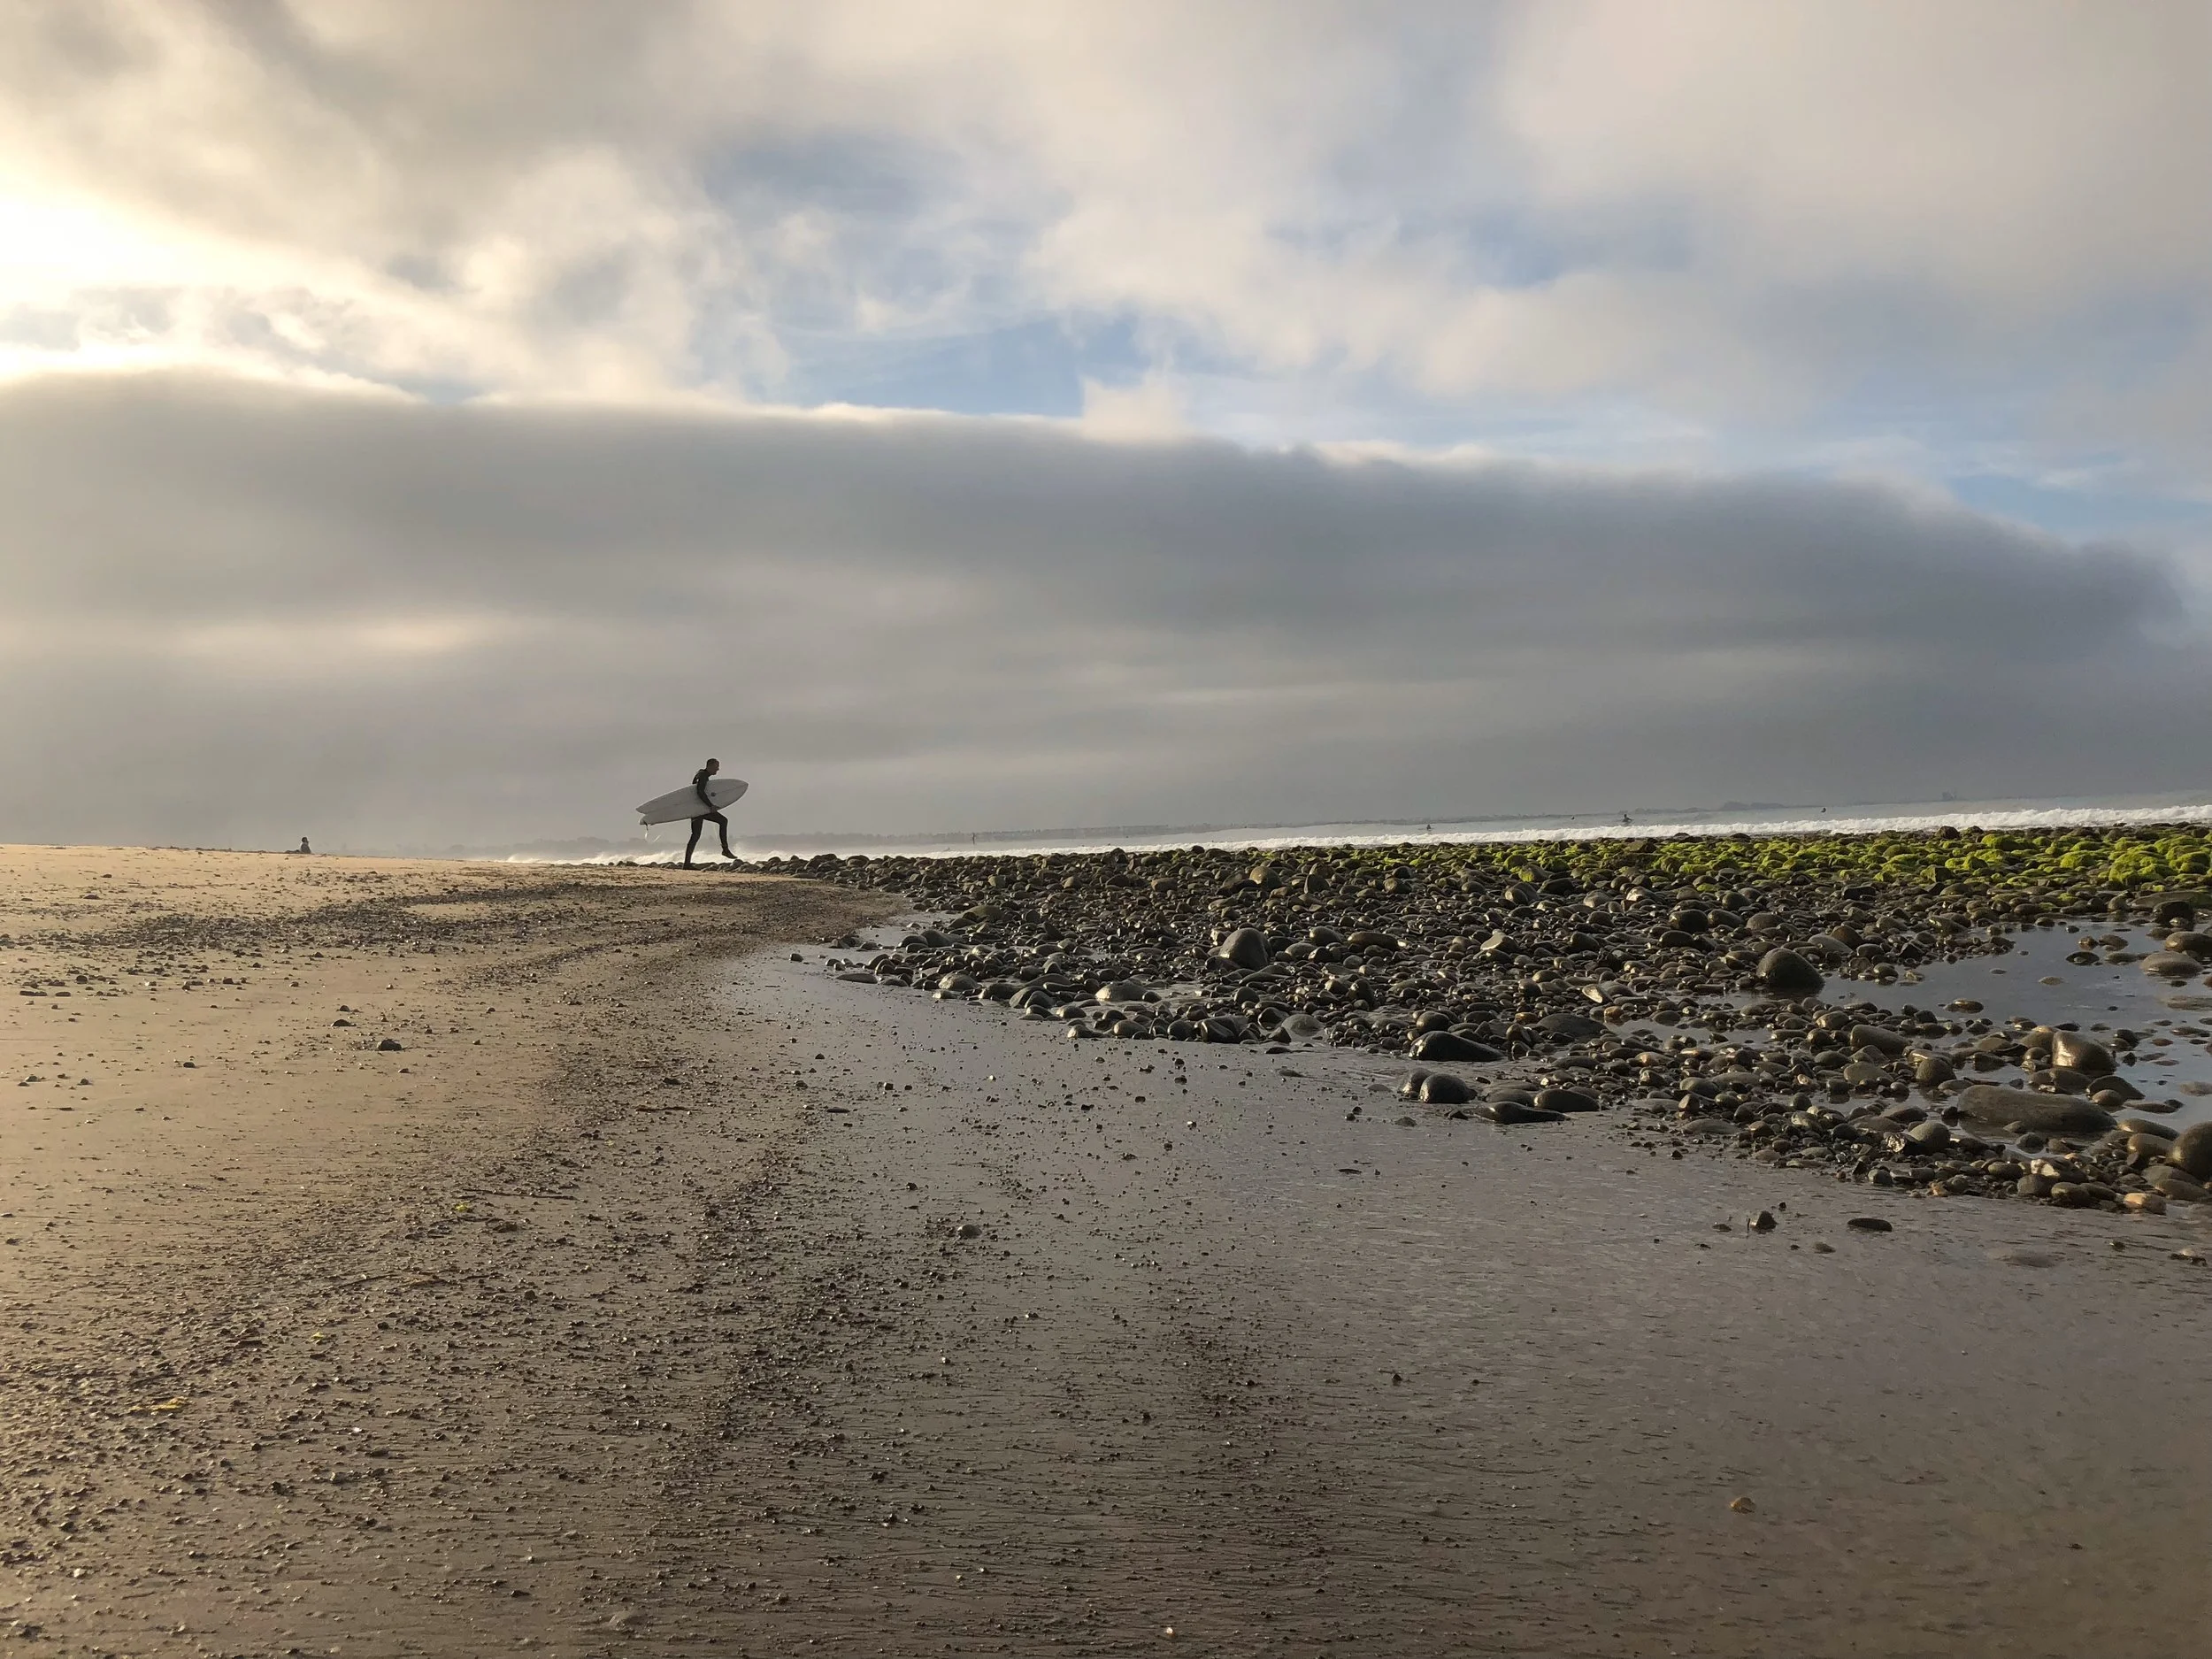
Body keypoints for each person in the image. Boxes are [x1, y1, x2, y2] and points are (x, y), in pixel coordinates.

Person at [684, 757, 736, 868]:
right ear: (710, 766)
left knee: (695, 835)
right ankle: (725, 850)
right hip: (699, 809)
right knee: (723, 821)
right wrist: (710, 806)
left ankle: (687, 864)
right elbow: (699, 791)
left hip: (698, 809)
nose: (718, 770)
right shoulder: (702, 776)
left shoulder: (701, 775)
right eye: (716, 767)